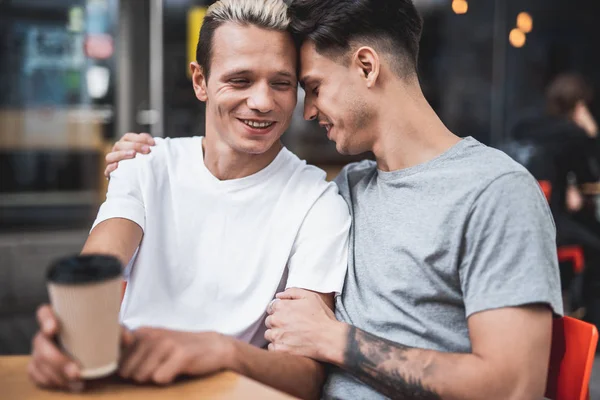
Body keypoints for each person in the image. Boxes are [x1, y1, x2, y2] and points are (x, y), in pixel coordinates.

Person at [106, 0, 562, 399]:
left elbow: (512, 386)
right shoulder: (348, 190)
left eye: (314, 87)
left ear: (366, 66)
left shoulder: (494, 191)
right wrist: (148, 161)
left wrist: (337, 340)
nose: (306, 110)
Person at [28, 1, 351, 398]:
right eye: (240, 80)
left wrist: (220, 351)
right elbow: (100, 265)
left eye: (281, 83)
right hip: (127, 385)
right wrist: (66, 329)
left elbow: (306, 377)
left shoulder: (318, 203)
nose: (263, 102)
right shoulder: (145, 164)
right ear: (200, 81)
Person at [504, 73, 600, 329]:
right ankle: (586, 322)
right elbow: (590, 179)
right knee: (595, 246)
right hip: (549, 225)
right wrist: (591, 133)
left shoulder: (523, 128)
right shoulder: (573, 135)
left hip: (509, 222)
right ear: (579, 105)